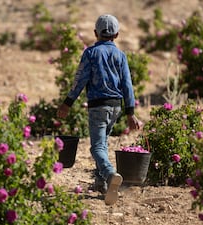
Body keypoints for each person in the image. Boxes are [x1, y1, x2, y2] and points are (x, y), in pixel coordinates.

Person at [57, 14, 141, 205]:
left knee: (97, 147)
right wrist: (130, 113)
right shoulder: (121, 55)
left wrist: (67, 103)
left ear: (95, 33)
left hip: (98, 107)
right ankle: (101, 184)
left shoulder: (90, 53)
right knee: (102, 143)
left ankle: (110, 175)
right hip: (116, 107)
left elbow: (80, 79)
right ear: (117, 35)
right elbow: (127, 85)